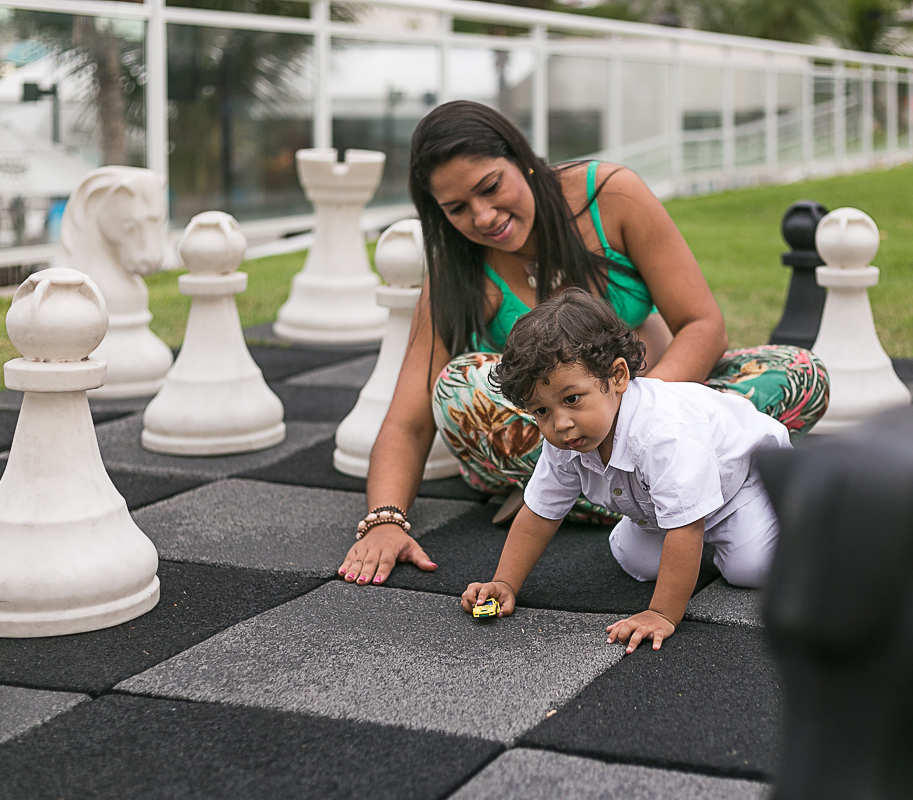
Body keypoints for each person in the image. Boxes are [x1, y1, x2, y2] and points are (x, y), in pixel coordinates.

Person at [338, 100, 827, 587]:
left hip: (662, 407)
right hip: (557, 432)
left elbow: (702, 325)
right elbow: (409, 416)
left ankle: (616, 494)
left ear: (522, 158)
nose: (484, 217)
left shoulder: (610, 195)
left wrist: (636, 416)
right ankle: (626, 493)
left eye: (491, 187)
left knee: (798, 372)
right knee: (457, 387)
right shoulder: (456, 266)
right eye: (457, 209)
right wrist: (384, 520)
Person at [459, 290, 790, 653]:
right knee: (633, 559)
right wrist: (504, 582)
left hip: (744, 485)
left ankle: (804, 525)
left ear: (617, 375)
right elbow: (539, 513)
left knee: (749, 568)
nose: (561, 423)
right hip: (668, 509)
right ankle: (703, 550)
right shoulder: (567, 440)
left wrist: (661, 613)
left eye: (572, 399)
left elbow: (685, 527)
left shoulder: (662, 433)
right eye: (541, 411)